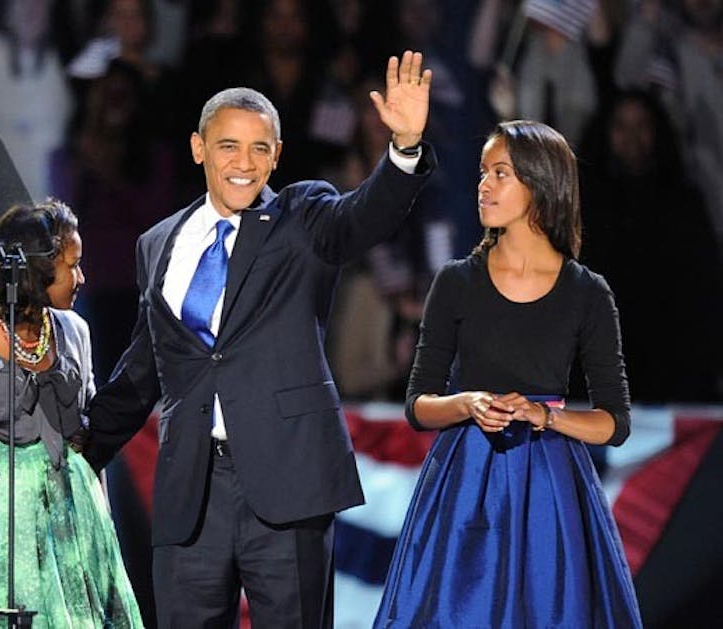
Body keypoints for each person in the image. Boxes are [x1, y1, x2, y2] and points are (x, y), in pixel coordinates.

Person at [84, 51, 436, 628]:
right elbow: (143, 368)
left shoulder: (303, 217)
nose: (244, 163)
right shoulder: (158, 243)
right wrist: (77, 450)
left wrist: (402, 152)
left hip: (287, 486)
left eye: (260, 148)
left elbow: (364, 217)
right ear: (199, 149)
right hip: (190, 494)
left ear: (277, 156)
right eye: (229, 146)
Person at [372, 120, 642, 627]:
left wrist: (546, 416)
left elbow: (614, 421)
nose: (484, 185)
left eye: (501, 173)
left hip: (550, 489)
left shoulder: (588, 292)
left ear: (541, 185)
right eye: (483, 172)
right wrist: (466, 403)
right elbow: (418, 404)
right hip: (464, 481)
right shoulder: (456, 281)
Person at [0, 201, 144, 628]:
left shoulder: (75, 330)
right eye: (71, 266)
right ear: (35, 270)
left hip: (74, 513)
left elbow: (87, 439)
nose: (82, 277)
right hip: (5, 521)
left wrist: (103, 523)